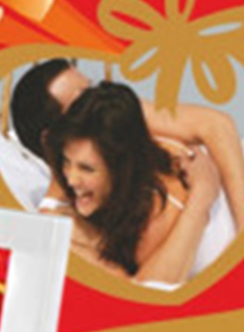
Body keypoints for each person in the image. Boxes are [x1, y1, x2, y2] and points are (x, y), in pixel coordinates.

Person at [11, 60, 244, 235]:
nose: (98, 98)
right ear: (51, 138)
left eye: (91, 89)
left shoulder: (119, 116)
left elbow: (217, 125)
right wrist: (200, 199)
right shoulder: (67, 214)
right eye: (81, 99)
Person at [44, 82, 225, 286]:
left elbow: (145, 290)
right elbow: (48, 211)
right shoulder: (109, 153)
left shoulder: (155, 214)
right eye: (67, 162)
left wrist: (201, 198)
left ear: (120, 169)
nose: (71, 179)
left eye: (87, 169)